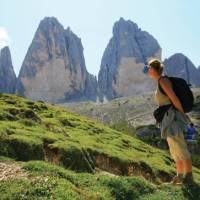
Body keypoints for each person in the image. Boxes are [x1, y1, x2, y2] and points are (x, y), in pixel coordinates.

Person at [143, 59, 194, 185]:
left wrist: (183, 114)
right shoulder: (161, 81)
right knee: (174, 148)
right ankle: (179, 175)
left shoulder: (163, 81)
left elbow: (174, 99)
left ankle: (189, 176)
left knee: (180, 146)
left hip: (173, 118)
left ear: (154, 69)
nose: (148, 70)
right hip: (168, 119)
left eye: (149, 68)